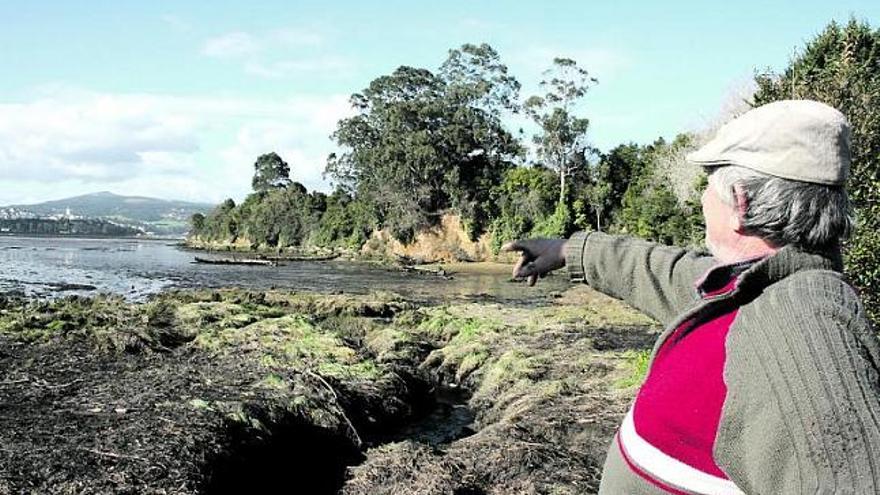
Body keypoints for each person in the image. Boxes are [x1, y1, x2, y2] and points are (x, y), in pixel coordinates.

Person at [504, 100, 880, 494]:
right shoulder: (754, 289)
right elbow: (662, 270)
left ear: (740, 203)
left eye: (708, 184)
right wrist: (568, 250)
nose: (703, 199)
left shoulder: (807, 331)